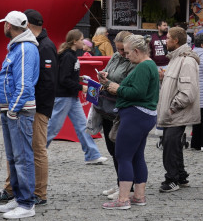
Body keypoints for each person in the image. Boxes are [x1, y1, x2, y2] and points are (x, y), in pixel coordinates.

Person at [100, 35, 159, 209]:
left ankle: (123, 199)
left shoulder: (143, 67)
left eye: (127, 52)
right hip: (143, 115)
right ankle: (139, 196)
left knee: (123, 156)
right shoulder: (149, 65)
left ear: (136, 51)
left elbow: (137, 92)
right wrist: (111, 83)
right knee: (137, 156)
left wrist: (117, 88)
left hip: (135, 115)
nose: (125, 56)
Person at [0, 10, 39, 219]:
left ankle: (27, 203)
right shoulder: (20, 47)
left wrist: (13, 108)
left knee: (21, 157)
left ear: (9, 26)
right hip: (14, 109)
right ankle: (21, 198)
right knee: (14, 157)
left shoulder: (23, 49)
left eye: (5, 24)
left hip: (18, 110)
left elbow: (24, 82)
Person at [47, 29, 107, 165]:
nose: (83, 41)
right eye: (81, 39)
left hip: (70, 97)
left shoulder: (70, 55)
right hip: (64, 96)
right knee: (53, 127)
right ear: (74, 41)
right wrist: (82, 87)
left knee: (82, 125)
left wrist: (79, 79)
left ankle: (92, 154)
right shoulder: (69, 56)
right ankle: (35, 152)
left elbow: (65, 76)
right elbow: (64, 79)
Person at [157, 27, 200, 193]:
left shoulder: (186, 61)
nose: (165, 41)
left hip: (176, 112)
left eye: (168, 38)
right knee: (172, 144)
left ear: (175, 41)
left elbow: (188, 92)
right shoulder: (175, 58)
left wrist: (173, 107)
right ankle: (180, 176)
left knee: (170, 145)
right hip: (173, 112)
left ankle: (172, 179)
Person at [96, 31, 135, 199]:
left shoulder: (133, 61)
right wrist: (102, 75)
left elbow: (128, 85)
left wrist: (110, 83)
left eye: (123, 50)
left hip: (121, 109)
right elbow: (108, 71)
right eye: (118, 49)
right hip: (107, 108)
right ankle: (120, 181)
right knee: (113, 150)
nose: (121, 53)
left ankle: (128, 186)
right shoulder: (116, 57)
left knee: (123, 151)